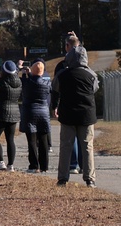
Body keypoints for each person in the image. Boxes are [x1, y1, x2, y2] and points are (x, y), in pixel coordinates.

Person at [51, 46, 99, 187]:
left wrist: (55, 106)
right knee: (87, 147)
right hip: (87, 115)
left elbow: (55, 89)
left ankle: (62, 178)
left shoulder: (62, 75)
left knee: (66, 146)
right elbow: (94, 89)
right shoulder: (91, 75)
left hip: (68, 114)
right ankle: (90, 178)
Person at [54, 32, 82, 173]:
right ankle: (84, 165)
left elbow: (56, 88)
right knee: (83, 138)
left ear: (66, 47)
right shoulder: (84, 66)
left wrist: (55, 105)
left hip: (68, 104)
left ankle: (73, 164)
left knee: (70, 138)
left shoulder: (62, 66)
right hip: (84, 104)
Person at [20, 60, 52, 173]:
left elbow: (23, 81)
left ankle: (34, 165)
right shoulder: (47, 84)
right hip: (43, 113)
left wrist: (25, 73)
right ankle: (44, 166)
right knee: (43, 140)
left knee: (32, 141)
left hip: (30, 112)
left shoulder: (27, 82)